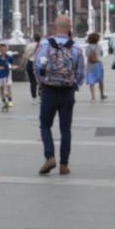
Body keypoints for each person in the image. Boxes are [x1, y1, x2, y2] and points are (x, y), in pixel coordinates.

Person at [33, 16, 86, 176]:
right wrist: (73, 85)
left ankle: (50, 156)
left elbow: (38, 66)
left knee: (45, 125)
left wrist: (42, 83)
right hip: (67, 91)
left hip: (49, 89)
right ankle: (64, 164)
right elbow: (80, 72)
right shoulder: (76, 47)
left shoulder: (44, 44)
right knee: (65, 129)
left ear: (55, 27)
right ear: (69, 27)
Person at [0, 41, 15, 112]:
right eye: (1, 49)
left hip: (7, 74)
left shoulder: (9, 58)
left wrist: (13, 67)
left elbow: (12, 65)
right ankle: (4, 101)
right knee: (1, 88)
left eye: (4, 49)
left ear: (6, 49)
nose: (3, 51)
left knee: (8, 86)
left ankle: (10, 100)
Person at [83, 31, 107, 102]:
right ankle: (102, 95)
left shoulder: (87, 47)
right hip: (98, 64)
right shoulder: (98, 46)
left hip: (90, 65)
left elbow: (87, 55)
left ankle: (93, 97)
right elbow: (101, 54)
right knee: (100, 81)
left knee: (91, 82)